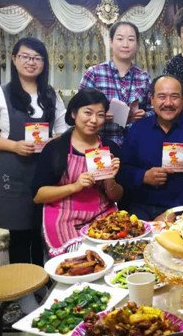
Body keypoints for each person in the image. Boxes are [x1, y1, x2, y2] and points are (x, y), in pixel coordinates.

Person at [0, 37, 67, 312]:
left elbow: (63, 130)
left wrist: (52, 141)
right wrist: (14, 145)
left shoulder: (50, 94)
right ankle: (23, 291)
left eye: (37, 58)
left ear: (44, 63)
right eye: (25, 56)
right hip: (14, 170)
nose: (31, 62)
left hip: (44, 169)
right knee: (20, 232)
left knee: (42, 229)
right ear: (14, 59)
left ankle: (43, 282)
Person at [32, 89, 123, 257]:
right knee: (80, 260)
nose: (94, 120)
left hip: (102, 216)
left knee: (114, 256)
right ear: (73, 113)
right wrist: (75, 186)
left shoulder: (110, 148)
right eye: (87, 113)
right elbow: (38, 195)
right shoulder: (55, 148)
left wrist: (110, 179)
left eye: (100, 115)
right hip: (63, 218)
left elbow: (116, 197)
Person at [118, 75, 183, 220]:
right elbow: (122, 170)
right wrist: (143, 176)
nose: (168, 103)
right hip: (141, 208)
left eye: (174, 97)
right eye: (161, 96)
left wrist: (174, 211)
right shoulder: (137, 129)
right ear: (152, 100)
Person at [79, 21, 152, 146]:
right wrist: (100, 115)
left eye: (131, 39)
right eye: (120, 39)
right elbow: (80, 110)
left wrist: (145, 115)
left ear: (137, 44)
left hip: (136, 145)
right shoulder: (94, 73)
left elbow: (154, 110)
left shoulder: (144, 77)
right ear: (111, 42)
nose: (125, 44)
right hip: (100, 146)